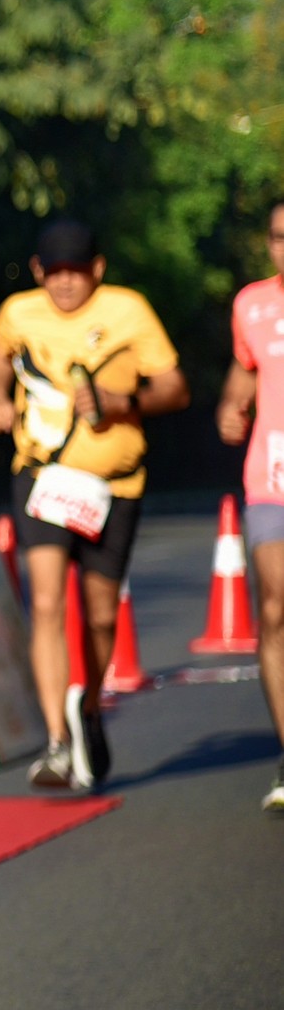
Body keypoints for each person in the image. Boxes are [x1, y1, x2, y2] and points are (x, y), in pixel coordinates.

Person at [0, 218, 188, 793]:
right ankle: (55, 742)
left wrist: (123, 402)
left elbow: (176, 388)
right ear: (38, 271)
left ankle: (88, 707)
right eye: (55, 272)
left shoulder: (129, 311)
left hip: (114, 485)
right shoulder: (18, 312)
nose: (65, 282)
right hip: (43, 477)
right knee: (47, 603)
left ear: (97, 269)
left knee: (101, 616)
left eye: (77, 271)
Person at [214, 199, 284, 813]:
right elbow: (244, 373)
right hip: (271, 478)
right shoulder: (251, 304)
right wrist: (229, 409)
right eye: (280, 237)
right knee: (275, 607)